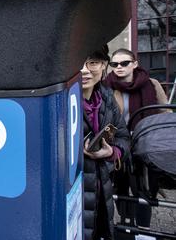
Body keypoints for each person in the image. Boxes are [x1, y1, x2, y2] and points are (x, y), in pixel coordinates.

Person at [103, 48, 168, 228]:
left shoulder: (151, 84)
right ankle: (126, 225)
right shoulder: (106, 86)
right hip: (118, 143)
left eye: (124, 63)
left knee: (144, 188)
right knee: (119, 186)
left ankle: (144, 229)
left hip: (145, 143)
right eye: (115, 64)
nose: (119, 67)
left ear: (135, 64)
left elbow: (164, 113)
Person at [81, 45, 130, 240]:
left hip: (102, 192)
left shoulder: (107, 98)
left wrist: (113, 153)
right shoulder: (59, 101)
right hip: (76, 197)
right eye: (78, 63)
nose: (85, 70)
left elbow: (124, 137)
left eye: (92, 62)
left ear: (104, 66)